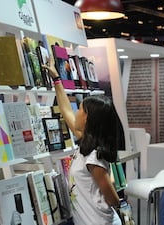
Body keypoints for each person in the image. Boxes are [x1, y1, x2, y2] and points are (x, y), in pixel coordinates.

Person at [42, 60, 124, 225]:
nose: (76, 112)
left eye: (79, 109)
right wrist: (57, 79)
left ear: (88, 118)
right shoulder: (87, 142)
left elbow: (113, 198)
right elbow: (66, 111)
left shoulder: (94, 157)